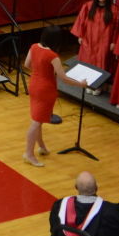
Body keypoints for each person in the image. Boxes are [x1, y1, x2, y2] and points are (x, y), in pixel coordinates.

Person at [24, 25, 88, 167]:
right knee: (36, 122)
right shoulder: (53, 56)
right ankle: (28, 153)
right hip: (46, 89)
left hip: (34, 84)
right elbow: (63, 78)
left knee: (37, 117)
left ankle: (42, 147)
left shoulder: (34, 47)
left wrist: (40, 71)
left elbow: (27, 64)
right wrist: (81, 84)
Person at [71, 0, 118, 84]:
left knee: (101, 61)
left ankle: (98, 84)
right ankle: (86, 81)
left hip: (104, 41)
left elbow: (116, 28)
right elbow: (81, 21)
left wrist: (113, 42)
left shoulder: (113, 10)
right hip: (89, 39)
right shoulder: (88, 6)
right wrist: (80, 35)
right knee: (87, 59)